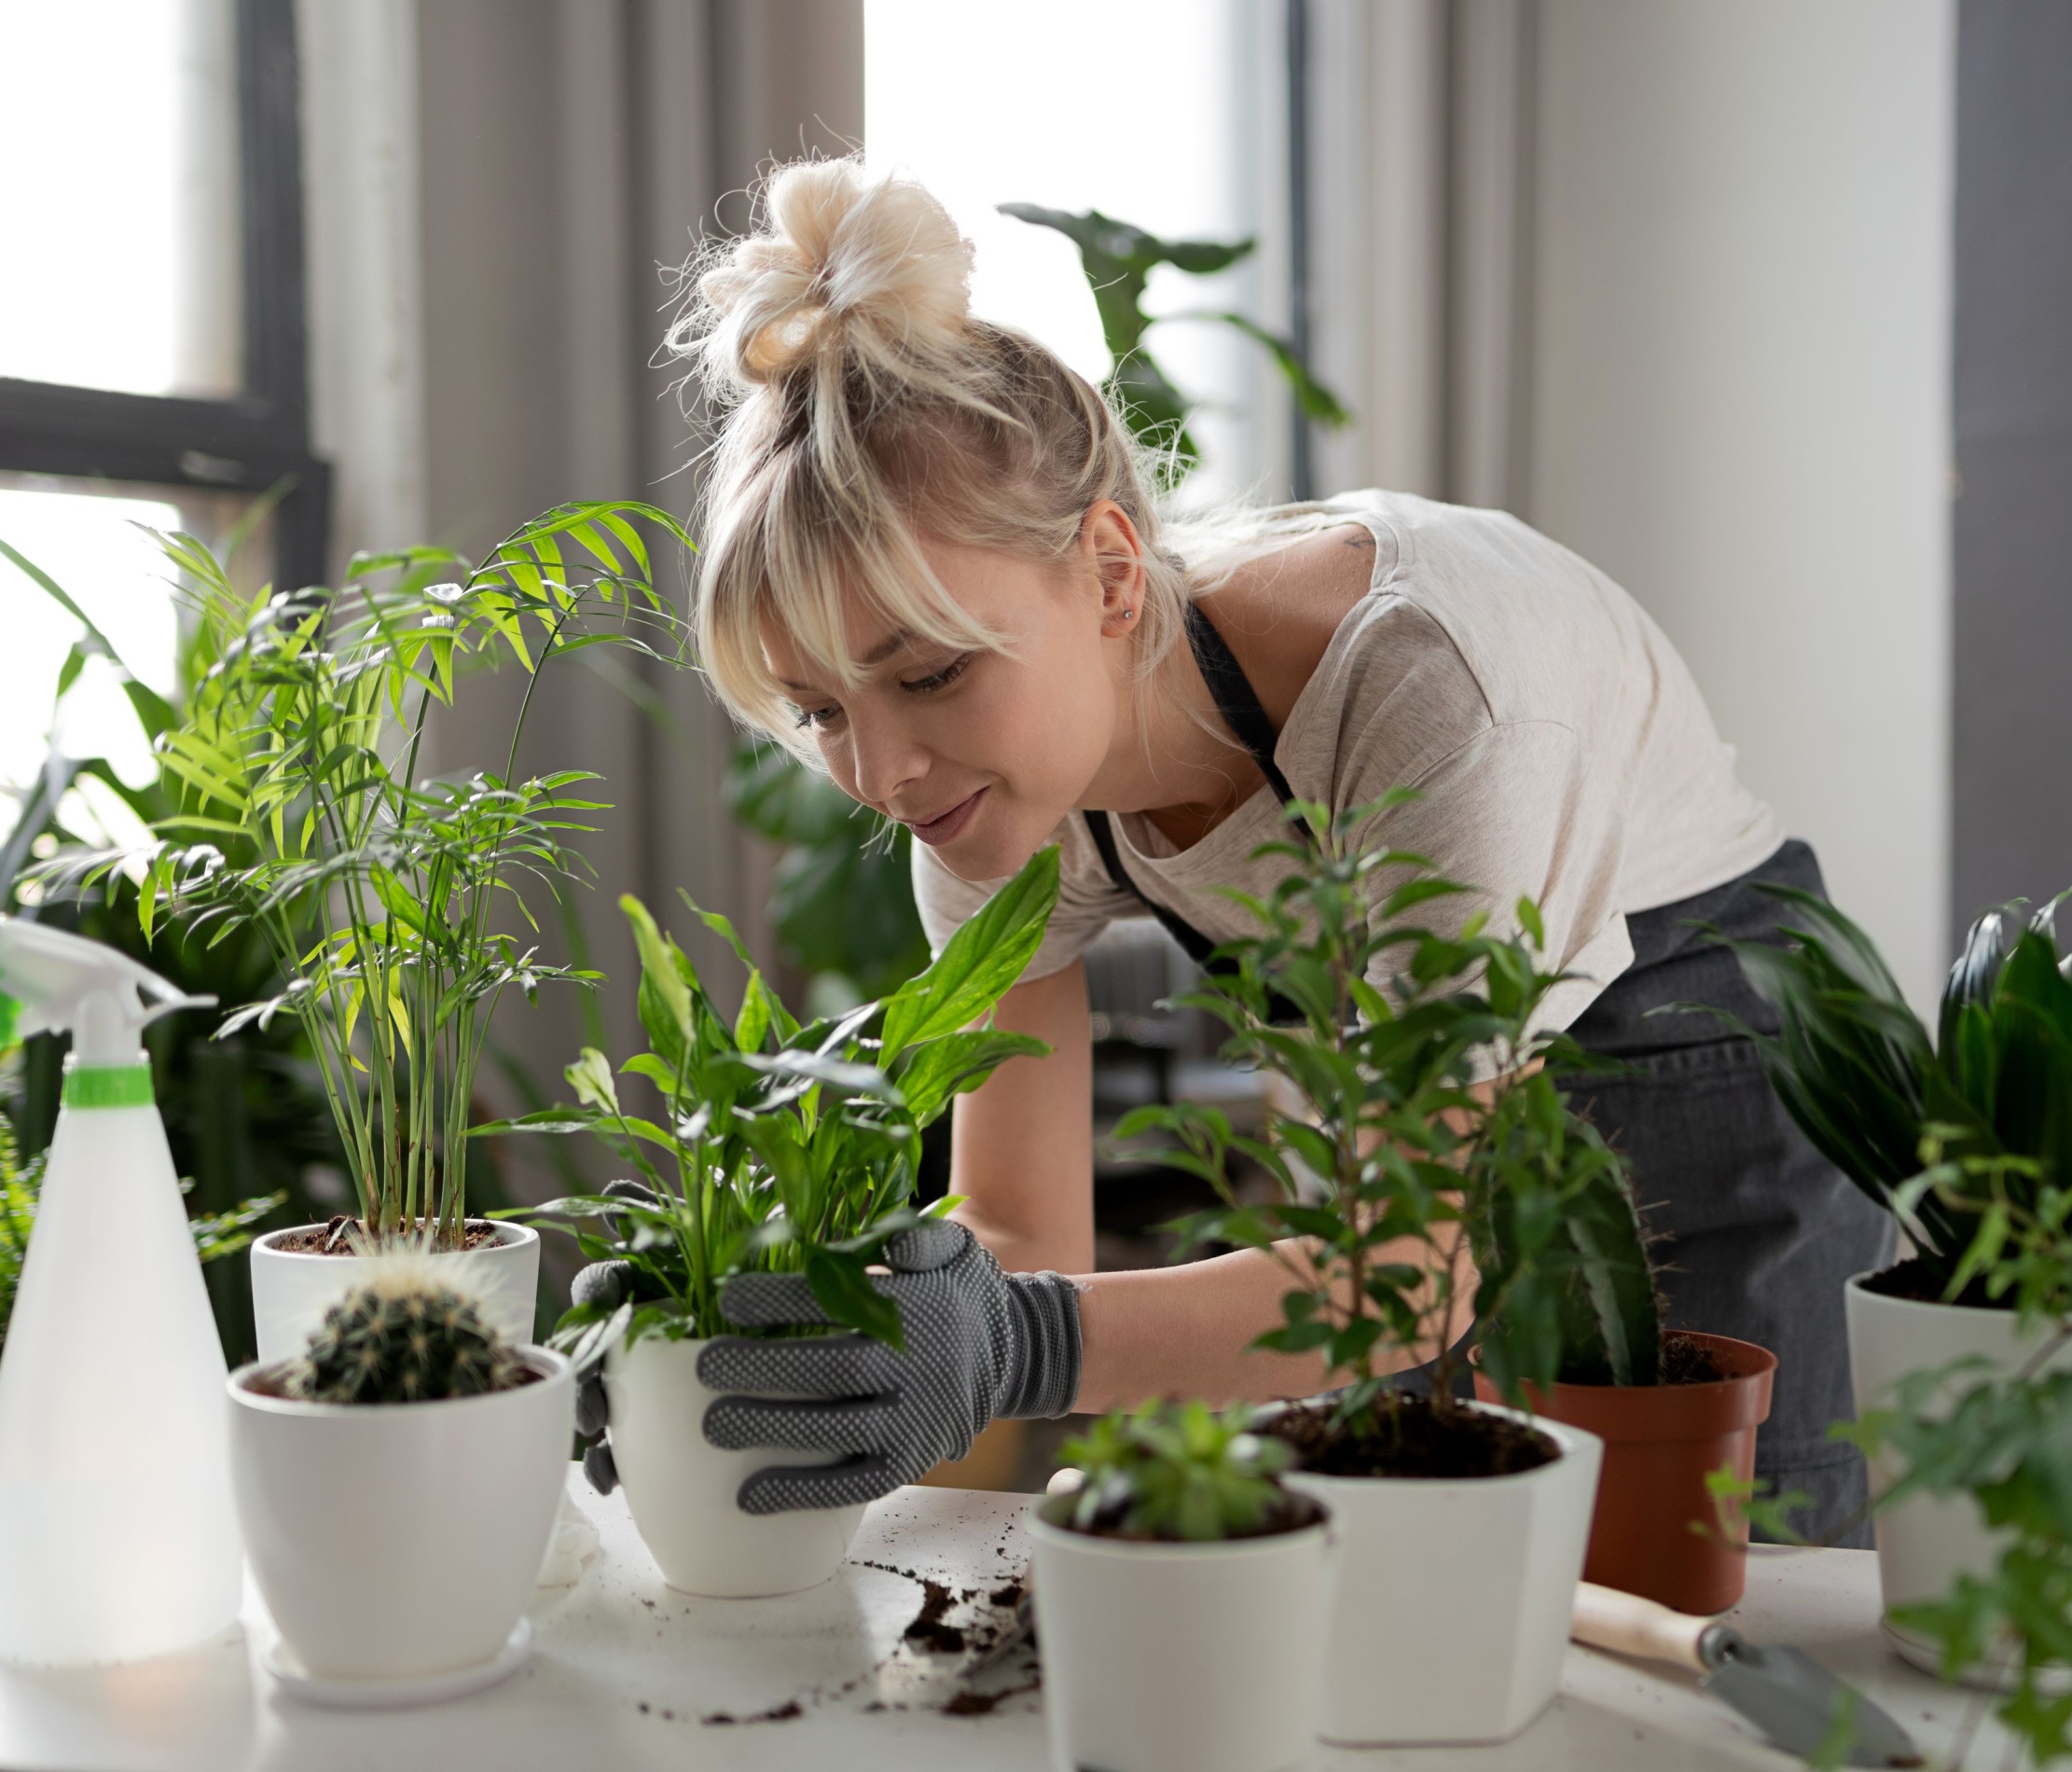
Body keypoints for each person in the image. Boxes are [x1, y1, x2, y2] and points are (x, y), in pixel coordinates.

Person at [575, 157, 1892, 1542]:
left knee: (1720, 1616)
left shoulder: (1422, 694)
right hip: (1433, 1150)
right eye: (820, 709)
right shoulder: (975, 806)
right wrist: (747, 1342)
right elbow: (1023, 1251)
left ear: (1108, 570)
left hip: (1698, 1076)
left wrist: (1010, 1349)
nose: (880, 772)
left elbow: (1407, 1271)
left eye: (933, 673)